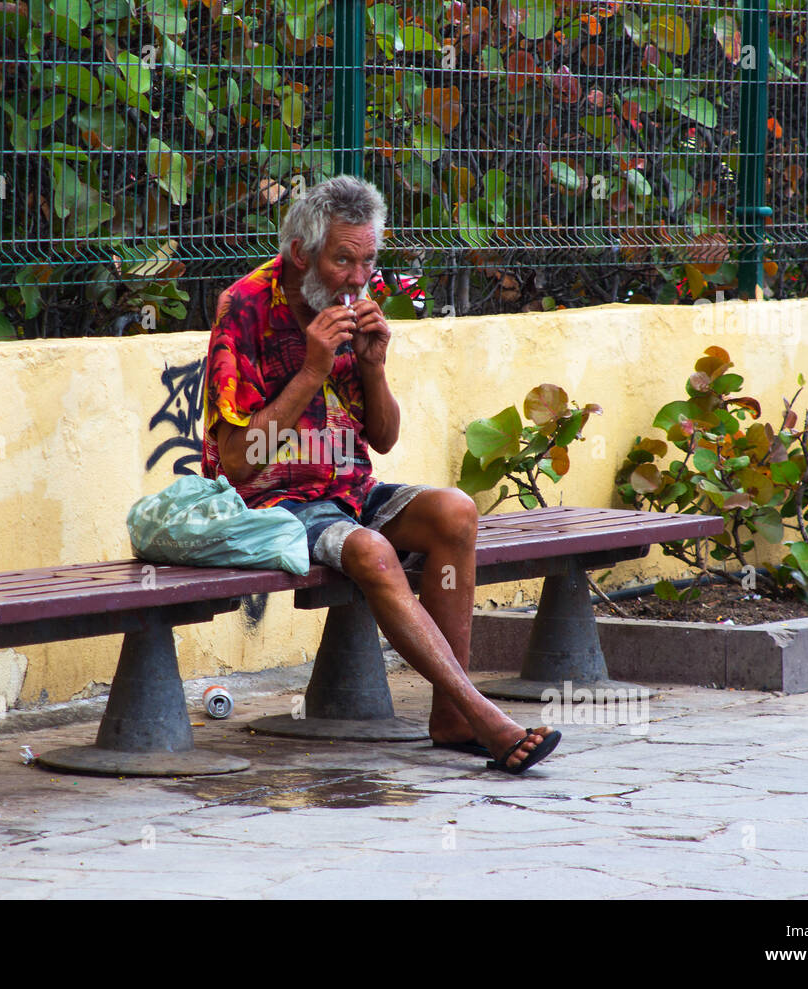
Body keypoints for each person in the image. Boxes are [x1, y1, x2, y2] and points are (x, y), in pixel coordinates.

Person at [201, 175, 560, 774]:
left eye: (368, 259)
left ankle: (449, 714)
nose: (358, 277)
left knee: (455, 512)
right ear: (299, 253)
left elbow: (384, 439)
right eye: (343, 259)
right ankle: (480, 713)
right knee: (369, 550)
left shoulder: (348, 307)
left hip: (349, 489)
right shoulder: (243, 308)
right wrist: (313, 369)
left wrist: (373, 367)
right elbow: (237, 460)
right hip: (270, 505)